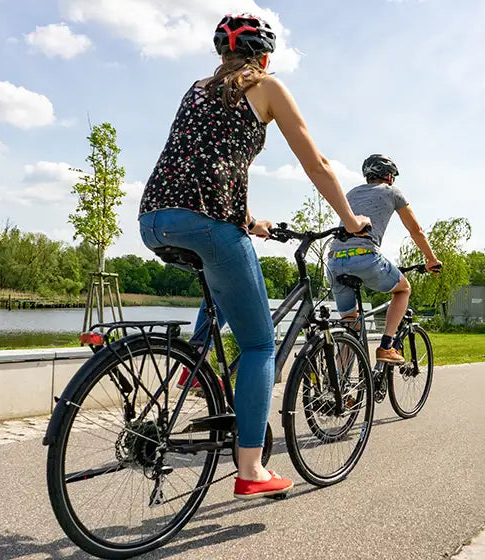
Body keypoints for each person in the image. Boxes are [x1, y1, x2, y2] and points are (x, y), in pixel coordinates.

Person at [137, 13, 371, 499]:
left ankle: (196, 367)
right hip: (208, 221)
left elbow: (205, 161)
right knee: (262, 345)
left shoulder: (198, 88)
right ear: (263, 55)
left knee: (223, 289)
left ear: (222, 54)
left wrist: (248, 219)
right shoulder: (265, 85)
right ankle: (251, 469)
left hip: (154, 218)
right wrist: (351, 221)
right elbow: (317, 163)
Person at [326, 154, 442, 364]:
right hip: (365, 258)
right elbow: (415, 230)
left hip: (334, 262)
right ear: (389, 176)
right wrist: (431, 259)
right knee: (403, 289)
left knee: (352, 327)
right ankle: (386, 347)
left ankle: (341, 389)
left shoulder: (352, 193)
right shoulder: (392, 192)